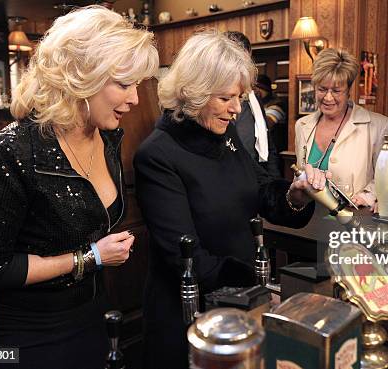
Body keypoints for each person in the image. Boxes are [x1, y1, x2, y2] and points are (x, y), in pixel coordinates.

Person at [0, 6, 158, 368]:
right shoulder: (13, 151)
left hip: (92, 312)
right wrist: (90, 258)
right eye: (124, 84)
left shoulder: (109, 137)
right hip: (28, 333)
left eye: (138, 85)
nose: (135, 99)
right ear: (82, 75)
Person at [134, 30, 327, 369]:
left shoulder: (225, 134)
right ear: (194, 93)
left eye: (240, 97)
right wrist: (260, 288)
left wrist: (293, 194)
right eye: (226, 98)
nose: (237, 109)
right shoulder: (157, 155)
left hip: (241, 303)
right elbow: (184, 256)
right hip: (191, 315)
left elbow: (261, 190)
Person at [295, 48, 388, 209]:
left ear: (349, 91)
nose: (328, 97)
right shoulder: (302, 125)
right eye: (322, 89)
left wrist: (368, 196)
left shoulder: (381, 126)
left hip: (354, 219)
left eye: (336, 91)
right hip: (309, 220)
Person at [225, 31, 283, 179]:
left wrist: (274, 181)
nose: (244, 67)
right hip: (230, 177)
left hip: (259, 175)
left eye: (246, 60)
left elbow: (268, 144)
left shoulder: (254, 95)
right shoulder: (214, 99)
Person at [254, 74, 288, 153]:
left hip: (274, 151)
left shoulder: (278, 104)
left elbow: (265, 123)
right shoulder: (258, 103)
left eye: (257, 89)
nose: (255, 92)